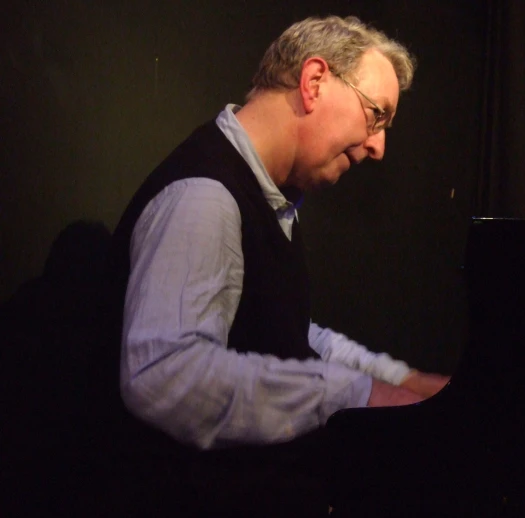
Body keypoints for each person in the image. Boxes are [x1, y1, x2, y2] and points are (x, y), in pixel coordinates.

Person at [107, 15, 449, 454]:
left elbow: (285, 332)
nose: (378, 147)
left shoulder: (268, 197)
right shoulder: (204, 197)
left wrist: (402, 381)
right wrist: (353, 396)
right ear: (314, 82)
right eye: (376, 114)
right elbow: (165, 374)